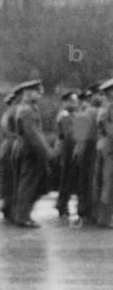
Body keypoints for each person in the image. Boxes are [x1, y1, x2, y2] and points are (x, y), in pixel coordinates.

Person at [11, 80, 53, 228]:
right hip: (30, 151)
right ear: (28, 93)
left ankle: (22, 215)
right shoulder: (27, 111)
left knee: (28, 184)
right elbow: (33, 136)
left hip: (28, 150)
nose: (40, 94)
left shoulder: (28, 109)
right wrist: (48, 153)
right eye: (37, 91)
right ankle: (22, 217)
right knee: (27, 185)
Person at [73, 85, 102, 224]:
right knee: (93, 182)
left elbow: (78, 137)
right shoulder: (93, 112)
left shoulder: (83, 112)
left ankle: (83, 209)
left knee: (84, 181)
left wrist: (77, 153)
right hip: (92, 149)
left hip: (86, 150)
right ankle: (91, 211)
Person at [0, 90, 19, 222]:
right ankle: (10, 208)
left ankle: (7, 207)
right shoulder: (14, 114)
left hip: (5, 148)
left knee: (7, 180)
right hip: (11, 148)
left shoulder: (7, 114)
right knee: (11, 180)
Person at [53, 90, 79, 219]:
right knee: (66, 179)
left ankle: (62, 204)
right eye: (73, 101)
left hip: (69, 149)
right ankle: (62, 205)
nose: (76, 104)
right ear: (66, 102)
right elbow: (69, 136)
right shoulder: (65, 116)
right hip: (66, 150)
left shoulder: (70, 115)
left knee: (67, 179)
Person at [94, 79, 113, 227]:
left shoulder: (104, 107)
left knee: (104, 182)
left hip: (104, 146)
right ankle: (105, 219)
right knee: (109, 183)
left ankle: (103, 217)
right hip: (109, 147)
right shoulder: (108, 108)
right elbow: (109, 129)